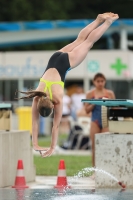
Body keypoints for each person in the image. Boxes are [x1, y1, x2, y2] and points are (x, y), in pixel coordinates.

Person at [17, 13, 119, 158]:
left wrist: (52, 147)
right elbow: (35, 123)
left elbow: (55, 126)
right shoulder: (37, 96)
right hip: (55, 58)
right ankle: (98, 20)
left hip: (66, 63)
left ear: (52, 107)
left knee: (89, 42)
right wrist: (34, 144)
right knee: (81, 39)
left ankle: (107, 22)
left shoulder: (57, 101)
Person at [85, 73, 115, 166]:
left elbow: (114, 108)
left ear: (104, 82)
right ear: (94, 82)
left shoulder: (109, 93)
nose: (100, 83)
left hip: (106, 120)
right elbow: (86, 110)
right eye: (98, 81)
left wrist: (108, 102)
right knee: (94, 146)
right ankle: (95, 169)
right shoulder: (90, 94)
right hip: (95, 121)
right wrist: (96, 102)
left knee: (105, 146)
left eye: (102, 81)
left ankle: (105, 168)